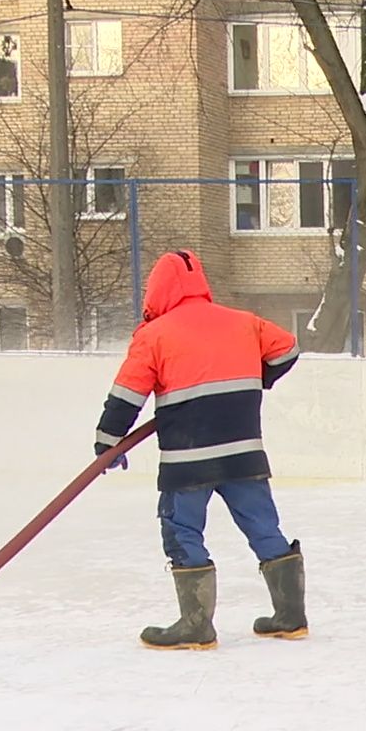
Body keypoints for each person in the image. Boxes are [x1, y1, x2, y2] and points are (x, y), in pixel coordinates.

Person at [92, 249, 309, 651]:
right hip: (244, 452)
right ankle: (291, 617)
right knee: (263, 526)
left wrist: (108, 441)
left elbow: (127, 395)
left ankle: (195, 624)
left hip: (187, 460)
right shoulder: (244, 323)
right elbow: (288, 350)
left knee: (182, 530)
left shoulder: (155, 335)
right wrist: (252, 379)